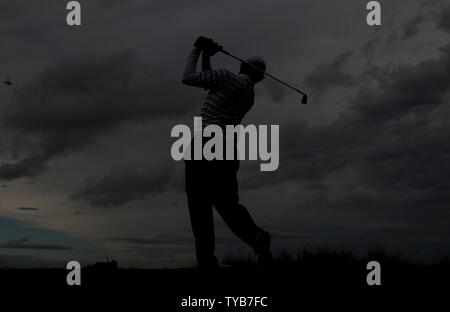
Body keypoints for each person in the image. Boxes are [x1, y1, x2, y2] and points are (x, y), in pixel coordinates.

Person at [182, 36, 272, 270]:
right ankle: (256, 237)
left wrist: (197, 47)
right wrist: (207, 57)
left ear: (242, 66)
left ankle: (206, 260)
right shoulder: (248, 94)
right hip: (227, 148)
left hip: (205, 143)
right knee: (227, 203)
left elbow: (188, 78)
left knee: (199, 203)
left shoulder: (227, 77)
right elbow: (207, 83)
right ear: (260, 77)